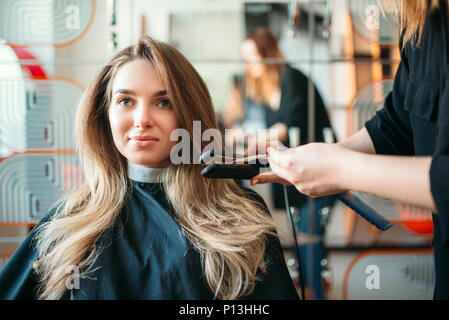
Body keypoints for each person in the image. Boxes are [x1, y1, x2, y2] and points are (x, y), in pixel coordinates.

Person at [0, 36, 299, 300]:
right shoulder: (67, 223)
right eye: (126, 101)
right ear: (103, 116)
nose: (142, 119)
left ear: (188, 115)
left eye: (163, 102)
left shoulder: (241, 219)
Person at [252, 0, 449, 300]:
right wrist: (326, 155)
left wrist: (337, 168)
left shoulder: (290, 79)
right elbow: (398, 121)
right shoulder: (423, 23)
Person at [223, 27, 337, 299]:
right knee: (304, 242)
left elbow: (288, 127)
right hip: (296, 174)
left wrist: (253, 140)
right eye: (246, 58)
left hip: (319, 169)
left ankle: (315, 294)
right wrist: (250, 137)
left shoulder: (292, 79)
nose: (250, 65)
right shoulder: (268, 90)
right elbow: (276, 129)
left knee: (309, 242)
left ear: (268, 54)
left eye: (253, 57)